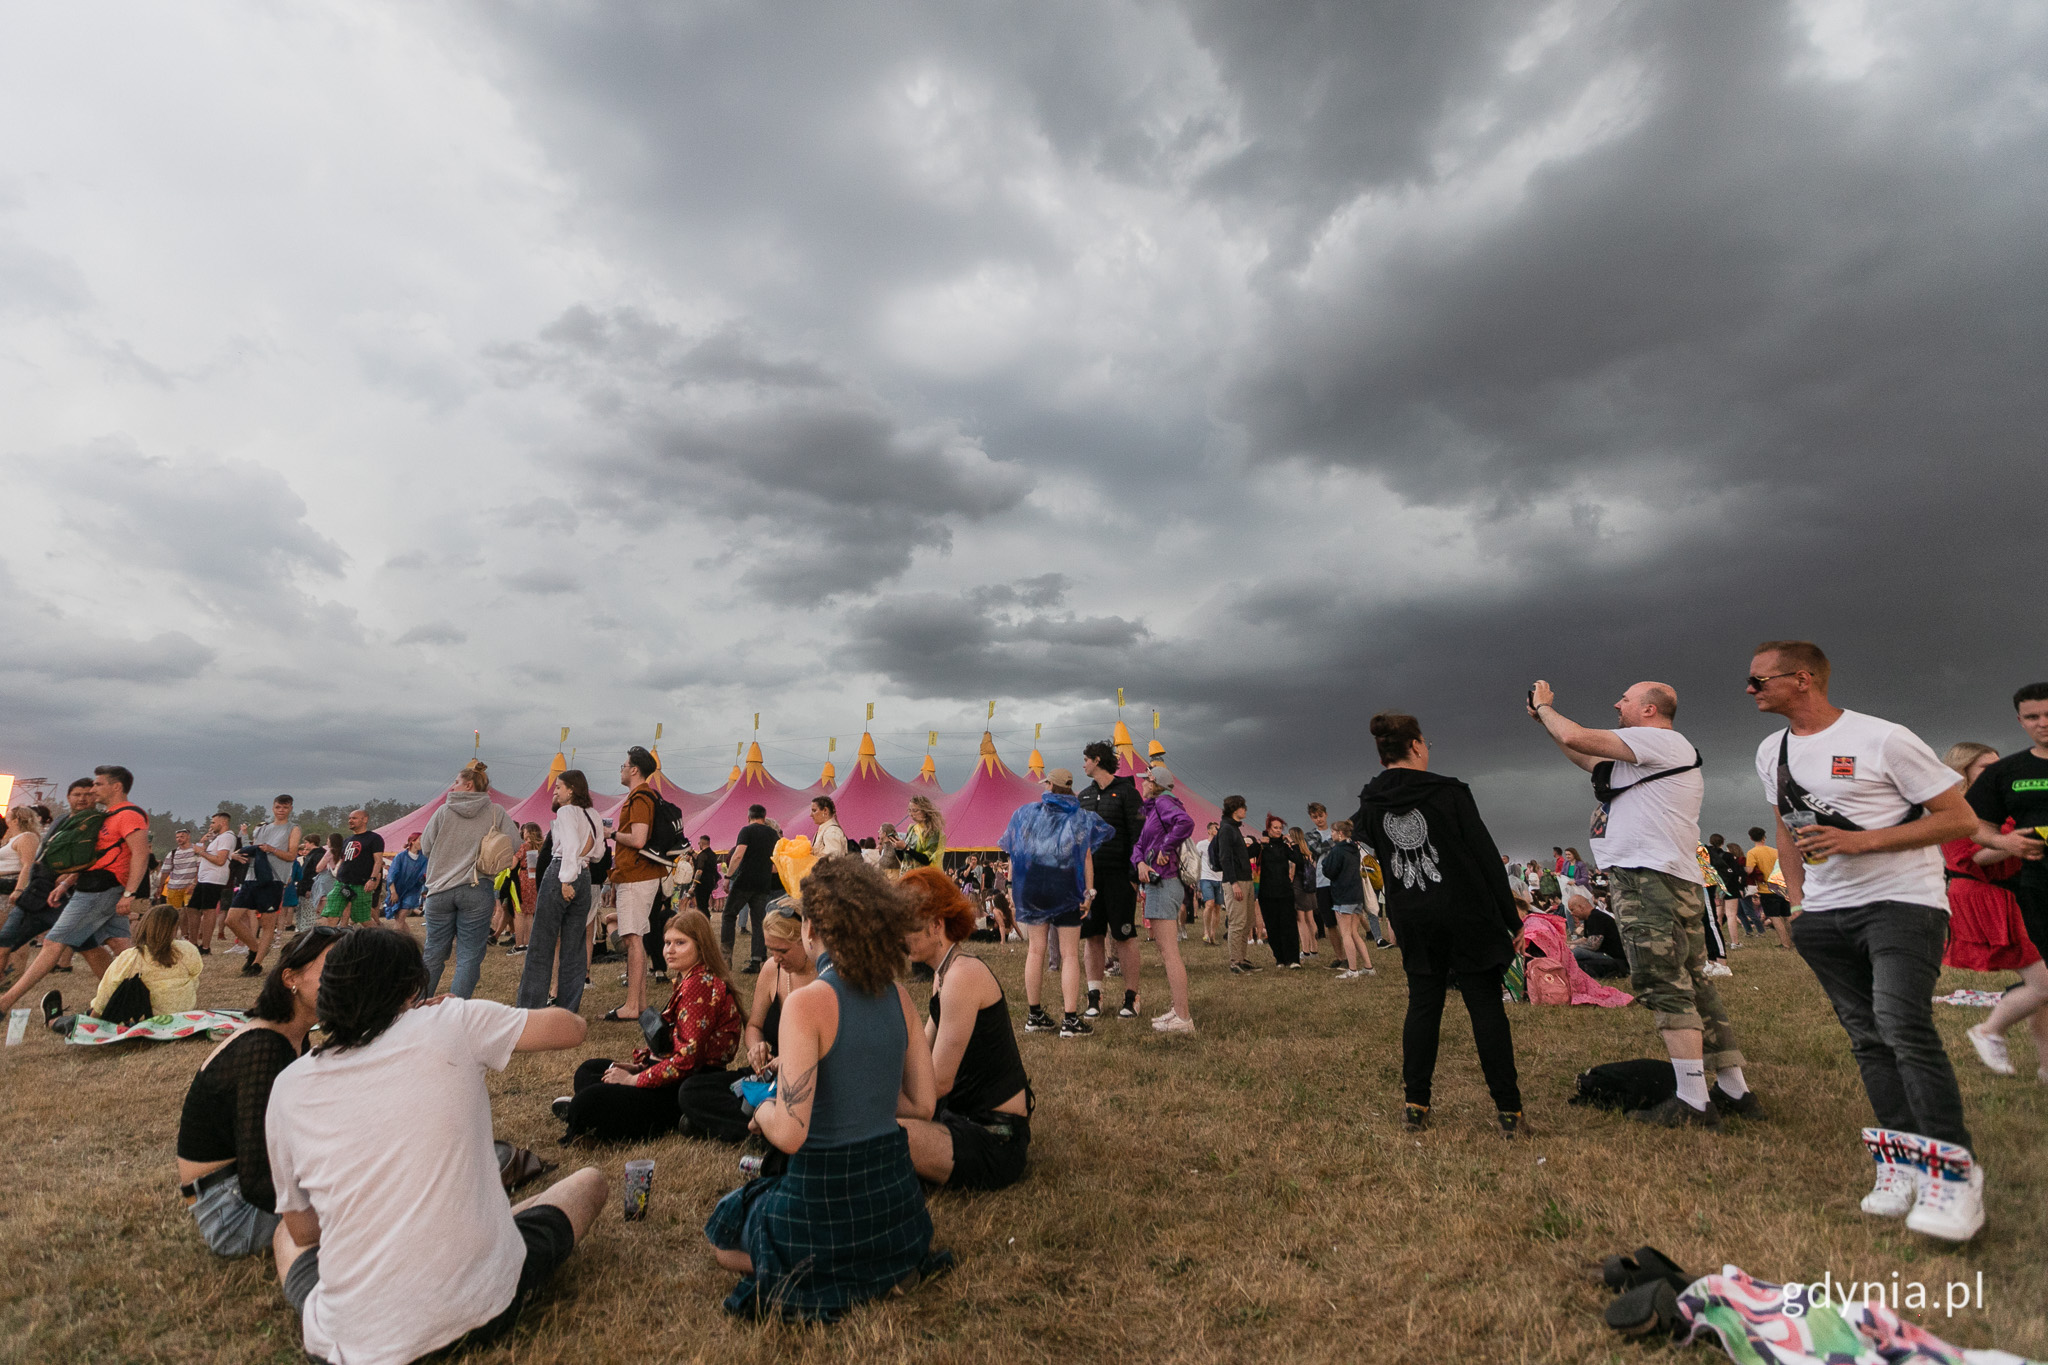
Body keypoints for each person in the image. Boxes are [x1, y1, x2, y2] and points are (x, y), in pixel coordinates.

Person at [267, 929, 606, 1364]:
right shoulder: (449, 1023)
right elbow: (571, 1028)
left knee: (283, 1234)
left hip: (342, 1340)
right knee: (589, 1182)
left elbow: (303, 1232)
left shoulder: (289, 1086)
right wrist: (453, 1011)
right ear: (411, 988)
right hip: (476, 1306)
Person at [1748, 639, 1982, 1241]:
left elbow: (1958, 818)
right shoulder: (1770, 749)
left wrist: (1860, 842)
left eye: (1759, 681)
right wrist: (1798, 903)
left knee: (1903, 1025)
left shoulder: (1884, 738)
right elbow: (1784, 824)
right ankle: (1901, 1164)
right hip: (1826, 915)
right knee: (1867, 1039)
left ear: (1802, 680)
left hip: (1902, 903)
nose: (1749, 691)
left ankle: (1954, 1174)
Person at [703, 856, 950, 1321]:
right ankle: (875, 1269)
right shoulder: (898, 996)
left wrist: (766, 1109)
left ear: (810, 925)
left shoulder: (808, 1002)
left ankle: (834, 1272)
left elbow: (792, 1132)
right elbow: (923, 1103)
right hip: (895, 1205)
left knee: (726, 1234)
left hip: (824, 1196)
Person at [1528, 678, 1755, 1130]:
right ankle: (1734, 1090)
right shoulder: (1649, 753)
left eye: (1626, 699)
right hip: (1666, 878)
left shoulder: (1657, 740)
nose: (1617, 703)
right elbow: (1587, 757)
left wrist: (1547, 707)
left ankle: (1692, 1102)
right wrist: (1546, 724)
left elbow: (1577, 735)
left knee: (1661, 982)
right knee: (1692, 980)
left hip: (1648, 881)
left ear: (1650, 710)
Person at [1352, 713, 1524, 1138]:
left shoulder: (1369, 805)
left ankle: (1416, 1106)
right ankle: (1509, 1112)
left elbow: (1378, 866)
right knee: (1484, 1005)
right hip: (1466, 912)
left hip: (1413, 916)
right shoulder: (1449, 792)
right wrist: (1511, 918)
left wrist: (1392, 913)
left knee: (1424, 1005)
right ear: (1413, 747)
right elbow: (1485, 855)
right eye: (1425, 742)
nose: (1428, 749)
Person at [176, 926, 341, 1256]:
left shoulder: (293, 1035)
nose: (346, 982)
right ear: (290, 978)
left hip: (245, 1194)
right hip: (232, 1214)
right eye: (332, 972)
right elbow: (258, 1180)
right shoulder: (262, 1047)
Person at [553, 909, 744, 1142]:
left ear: (701, 946)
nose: (669, 950)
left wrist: (634, 1079)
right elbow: (672, 1045)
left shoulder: (700, 985)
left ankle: (593, 1114)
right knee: (590, 1070)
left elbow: (687, 1061)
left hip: (684, 1083)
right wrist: (638, 1066)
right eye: (667, 943)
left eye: (680, 943)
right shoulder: (689, 979)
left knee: (588, 1101)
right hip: (670, 1073)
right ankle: (598, 1110)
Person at [898, 867, 1033, 1187]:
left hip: (994, 1140)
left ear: (936, 924)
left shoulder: (962, 976)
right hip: (960, 1120)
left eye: (908, 926)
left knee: (875, 1135)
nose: (901, 937)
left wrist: (871, 1101)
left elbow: (936, 1085)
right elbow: (920, 1053)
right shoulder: (944, 975)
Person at [0, 766, 147, 1018]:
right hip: (91, 885)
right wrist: (66, 884)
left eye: (98, 785)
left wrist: (129, 893)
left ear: (116, 787)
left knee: (51, 944)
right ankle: (137, 999)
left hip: (100, 889)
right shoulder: (107, 816)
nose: (93, 789)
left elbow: (140, 854)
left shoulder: (129, 814)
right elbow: (98, 858)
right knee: (121, 946)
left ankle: (4, 1003)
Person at [1960, 683, 2048, 1079]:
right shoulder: (2005, 772)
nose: (2043, 724)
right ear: (2020, 721)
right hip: (2036, 887)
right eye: (2033, 717)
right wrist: (2004, 841)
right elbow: (1975, 828)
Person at [678, 906, 817, 1142]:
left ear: (807, 939)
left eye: (782, 950)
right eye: (770, 949)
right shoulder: (772, 969)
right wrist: (756, 1048)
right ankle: (764, 1128)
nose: (775, 957)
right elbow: (754, 1026)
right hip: (767, 1075)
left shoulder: (827, 978)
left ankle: (760, 1128)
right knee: (691, 1090)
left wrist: (794, 1061)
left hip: (806, 1078)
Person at [999, 769, 1111, 1038]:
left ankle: (1034, 1015)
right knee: (1070, 953)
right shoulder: (1080, 817)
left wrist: (1013, 887)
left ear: (1050, 785)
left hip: (1034, 888)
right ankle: (1070, 1020)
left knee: (1035, 951)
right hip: (1066, 888)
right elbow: (1086, 858)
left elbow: (1014, 851)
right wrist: (1089, 893)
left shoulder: (1026, 813)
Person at [419, 761, 517, 1000]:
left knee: (433, 953)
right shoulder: (497, 812)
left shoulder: (443, 812)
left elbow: (425, 847)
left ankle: (419, 1005)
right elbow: (515, 844)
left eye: (455, 782)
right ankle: (457, 1009)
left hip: (440, 889)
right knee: (469, 955)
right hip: (477, 886)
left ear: (469, 785)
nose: (451, 788)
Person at [44, 903, 203, 1034]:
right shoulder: (188, 950)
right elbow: (194, 978)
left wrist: (91, 1020)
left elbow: (107, 992)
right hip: (180, 1015)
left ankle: (53, 1020)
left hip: (142, 1018)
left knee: (82, 1018)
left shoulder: (132, 957)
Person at [518, 770, 603, 1012]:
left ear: (571, 790)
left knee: (542, 942)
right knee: (574, 944)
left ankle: (530, 1007)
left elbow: (570, 846)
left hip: (562, 871)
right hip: (585, 873)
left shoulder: (566, 812)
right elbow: (598, 853)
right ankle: (568, 1008)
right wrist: (578, 870)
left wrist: (566, 879)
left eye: (559, 787)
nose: (554, 791)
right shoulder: (594, 814)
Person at [1076, 740, 1145, 1019]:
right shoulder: (1083, 797)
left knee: (1124, 936)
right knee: (1092, 937)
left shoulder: (1128, 793)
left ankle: (1132, 998)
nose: (1082, 764)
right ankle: (1094, 997)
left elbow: (1139, 836)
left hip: (1120, 877)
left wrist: (1132, 877)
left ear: (1097, 760)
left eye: (1085, 759)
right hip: (1091, 881)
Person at [1132, 765, 1197, 1032]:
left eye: (1145, 780)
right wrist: (1139, 863)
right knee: (1165, 950)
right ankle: (1177, 1009)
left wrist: (1166, 847)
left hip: (1166, 882)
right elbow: (1139, 845)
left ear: (1155, 782)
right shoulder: (1154, 809)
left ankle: (1183, 1016)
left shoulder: (1164, 802)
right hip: (1158, 881)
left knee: (1169, 952)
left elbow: (1186, 823)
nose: (1142, 785)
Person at [225, 796, 302, 977]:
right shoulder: (261, 829)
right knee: (231, 919)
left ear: (290, 808)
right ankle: (255, 948)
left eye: (284, 807)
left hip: (273, 879)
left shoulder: (293, 829)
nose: (281, 810)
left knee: (268, 924)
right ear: (273, 808)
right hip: (252, 877)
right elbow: (251, 849)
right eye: (278, 807)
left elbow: (291, 855)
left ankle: (257, 963)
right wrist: (236, 855)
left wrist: (272, 849)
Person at [723, 805, 779, 975]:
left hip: (745, 881)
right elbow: (776, 862)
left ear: (749, 816)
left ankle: (725, 959)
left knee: (728, 915)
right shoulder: (773, 835)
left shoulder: (746, 831)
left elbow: (739, 854)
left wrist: (728, 877)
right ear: (764, 816)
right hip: (763, 883)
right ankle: (756, 961)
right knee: (758, 922)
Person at [1320, 821, 1377, 979]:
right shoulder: (1355, 849)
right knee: (1354, 933)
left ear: (1339, 833)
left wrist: (1326, 862)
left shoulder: (1337, 850)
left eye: (1333, 832)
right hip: (1356, 895)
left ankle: (1352, 969)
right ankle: (1368, 966)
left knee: (1345, 933)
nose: (1331, 834)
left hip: (1343, 895)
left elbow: (1329, 870)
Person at [1252, 815, 1304, 968]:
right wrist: (1260, 843)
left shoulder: (1284, 846)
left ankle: (1293, 959)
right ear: (1269, 829)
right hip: (1266, 893)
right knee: (1273, 926)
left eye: (1280, 828)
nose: (1278, 831)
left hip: (1285, 891)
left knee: (1289, 925)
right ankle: (1280, 958)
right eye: (1275, 828)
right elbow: (1249, 854)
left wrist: (1292, 843)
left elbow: (1298, 860)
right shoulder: (1262, 845)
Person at [319, 809, 384, 928]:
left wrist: (373, 879)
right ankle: (329, 941)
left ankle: (382, 940)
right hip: (342, 884)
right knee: (332, 913)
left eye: (354, 818)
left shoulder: (374, 838)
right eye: (349, 818)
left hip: (361, 884)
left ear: (365, 819)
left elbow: (378, 861)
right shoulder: (348, 840)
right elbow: (345, 861)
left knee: (363, 919)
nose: (350, 821)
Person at [1213, 798, 1256, 972]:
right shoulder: (1226, 829)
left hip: (1246, 878)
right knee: (1237, 922)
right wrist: (1234, 883)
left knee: (1246, 922)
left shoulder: (1235, 828)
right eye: (1242, 807)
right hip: (1236, 881)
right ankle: (1235, 962)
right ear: (1234, 809)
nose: (1245, 810)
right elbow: (1225, 858)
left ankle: (1242, 958)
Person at [1564, 886, 1629, 979]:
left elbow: (1593, 945)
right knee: (1572, 953)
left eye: (1572, 910)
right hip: (1605, 956)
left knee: (1576, 952)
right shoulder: (1589, 918)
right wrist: (1568, 944)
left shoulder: (1596, 918)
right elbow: (1585, 939)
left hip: (1613, 958)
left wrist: (1574, 947)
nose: (1572, 913)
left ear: (1581, 907)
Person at [1746, 825, 1794, 948]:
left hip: (1766, 889)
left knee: (1774, 917)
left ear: (1751, 838)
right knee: (1786, 915)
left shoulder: (1752, 853)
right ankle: (1794, 942)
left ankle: (1785, 944)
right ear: (1764, 837)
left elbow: (1749, 870)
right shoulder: (1775, 851)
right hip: (1781, 887)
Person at [384, 832, 427, 924]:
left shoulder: (424, 858)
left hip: (412, 890)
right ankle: (405, 937)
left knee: (402, 915)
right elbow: (391, 875)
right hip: (397, 889)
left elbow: (425, 874)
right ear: (412, 841)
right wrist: (393, 892)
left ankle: (395, 938)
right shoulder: (400, 857)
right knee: (399, 918)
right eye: (420, 839)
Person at [160, 828, 200, 918]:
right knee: (173, 913)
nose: (179, 839)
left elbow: (200, 869)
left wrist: (194, 884)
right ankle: (174, 932)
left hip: (189, 886)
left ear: (188, 837)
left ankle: (187, 932)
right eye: (177, 837)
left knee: (190, 911)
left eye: (182, 836)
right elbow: (165, 871)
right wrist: (160, 885)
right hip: (174, 887)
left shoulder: (196, 851)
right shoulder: (173, 853)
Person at [1195, 821, 1221, 944]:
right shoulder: (1201, 844)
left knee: (1217, 907)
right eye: (1216, 829)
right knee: (1209, 904)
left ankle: (1213, 934)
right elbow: (1195, 860)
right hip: (1206, 877)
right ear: (1209, 831)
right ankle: (1205, 932)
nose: (1218, 831)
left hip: (1220, 878)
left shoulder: (1222, 845)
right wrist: (1195, 878)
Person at [902, 794, 946, 868]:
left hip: (925, 875)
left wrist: (906, 848)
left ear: (925, 811)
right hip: (909, 874)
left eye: (915, 810)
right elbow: (905, 858)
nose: (911, 814)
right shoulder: (912, 829)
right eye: (909, 810)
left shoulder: (933, 831)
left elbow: (927, 859)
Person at [691, 836, 719, 920]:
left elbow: (699, 870)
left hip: (701, 884)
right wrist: (692, 853)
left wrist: (693, 885)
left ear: (702, 843)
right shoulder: (713, 855)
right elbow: (699, 859)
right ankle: (706, 920)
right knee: (704, 903)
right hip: (710, 883)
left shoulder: (703, 855)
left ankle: (704, 922)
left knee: (701, 906)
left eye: (699, 843)